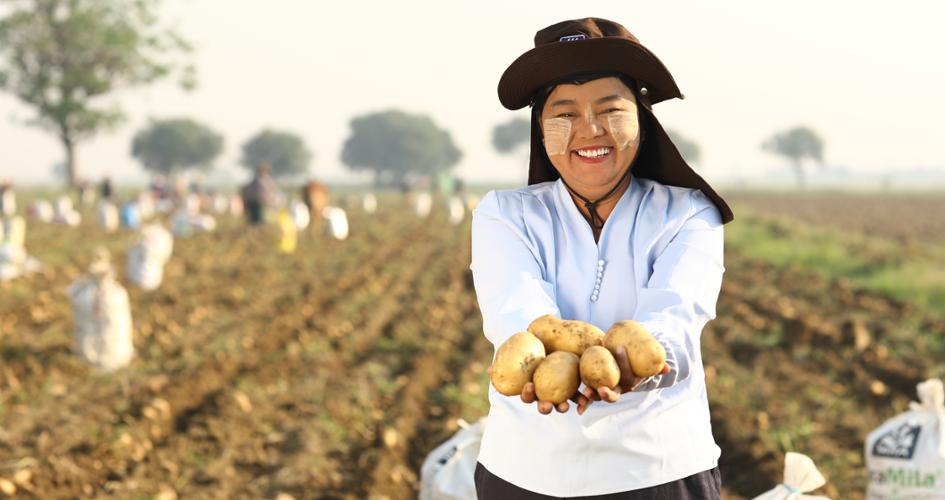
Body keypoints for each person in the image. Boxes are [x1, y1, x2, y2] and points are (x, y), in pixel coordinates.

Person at [470, 18, 734, 499]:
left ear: (642, 120)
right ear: (540, 130)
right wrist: (554, 371)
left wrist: (635, 364)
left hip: (658, 471)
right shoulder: (504, 214)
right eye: (564, 114)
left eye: (610, 109)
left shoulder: (689, 214)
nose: (589, 131)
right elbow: (515, 312)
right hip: (526, 473)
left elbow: (675, 316)